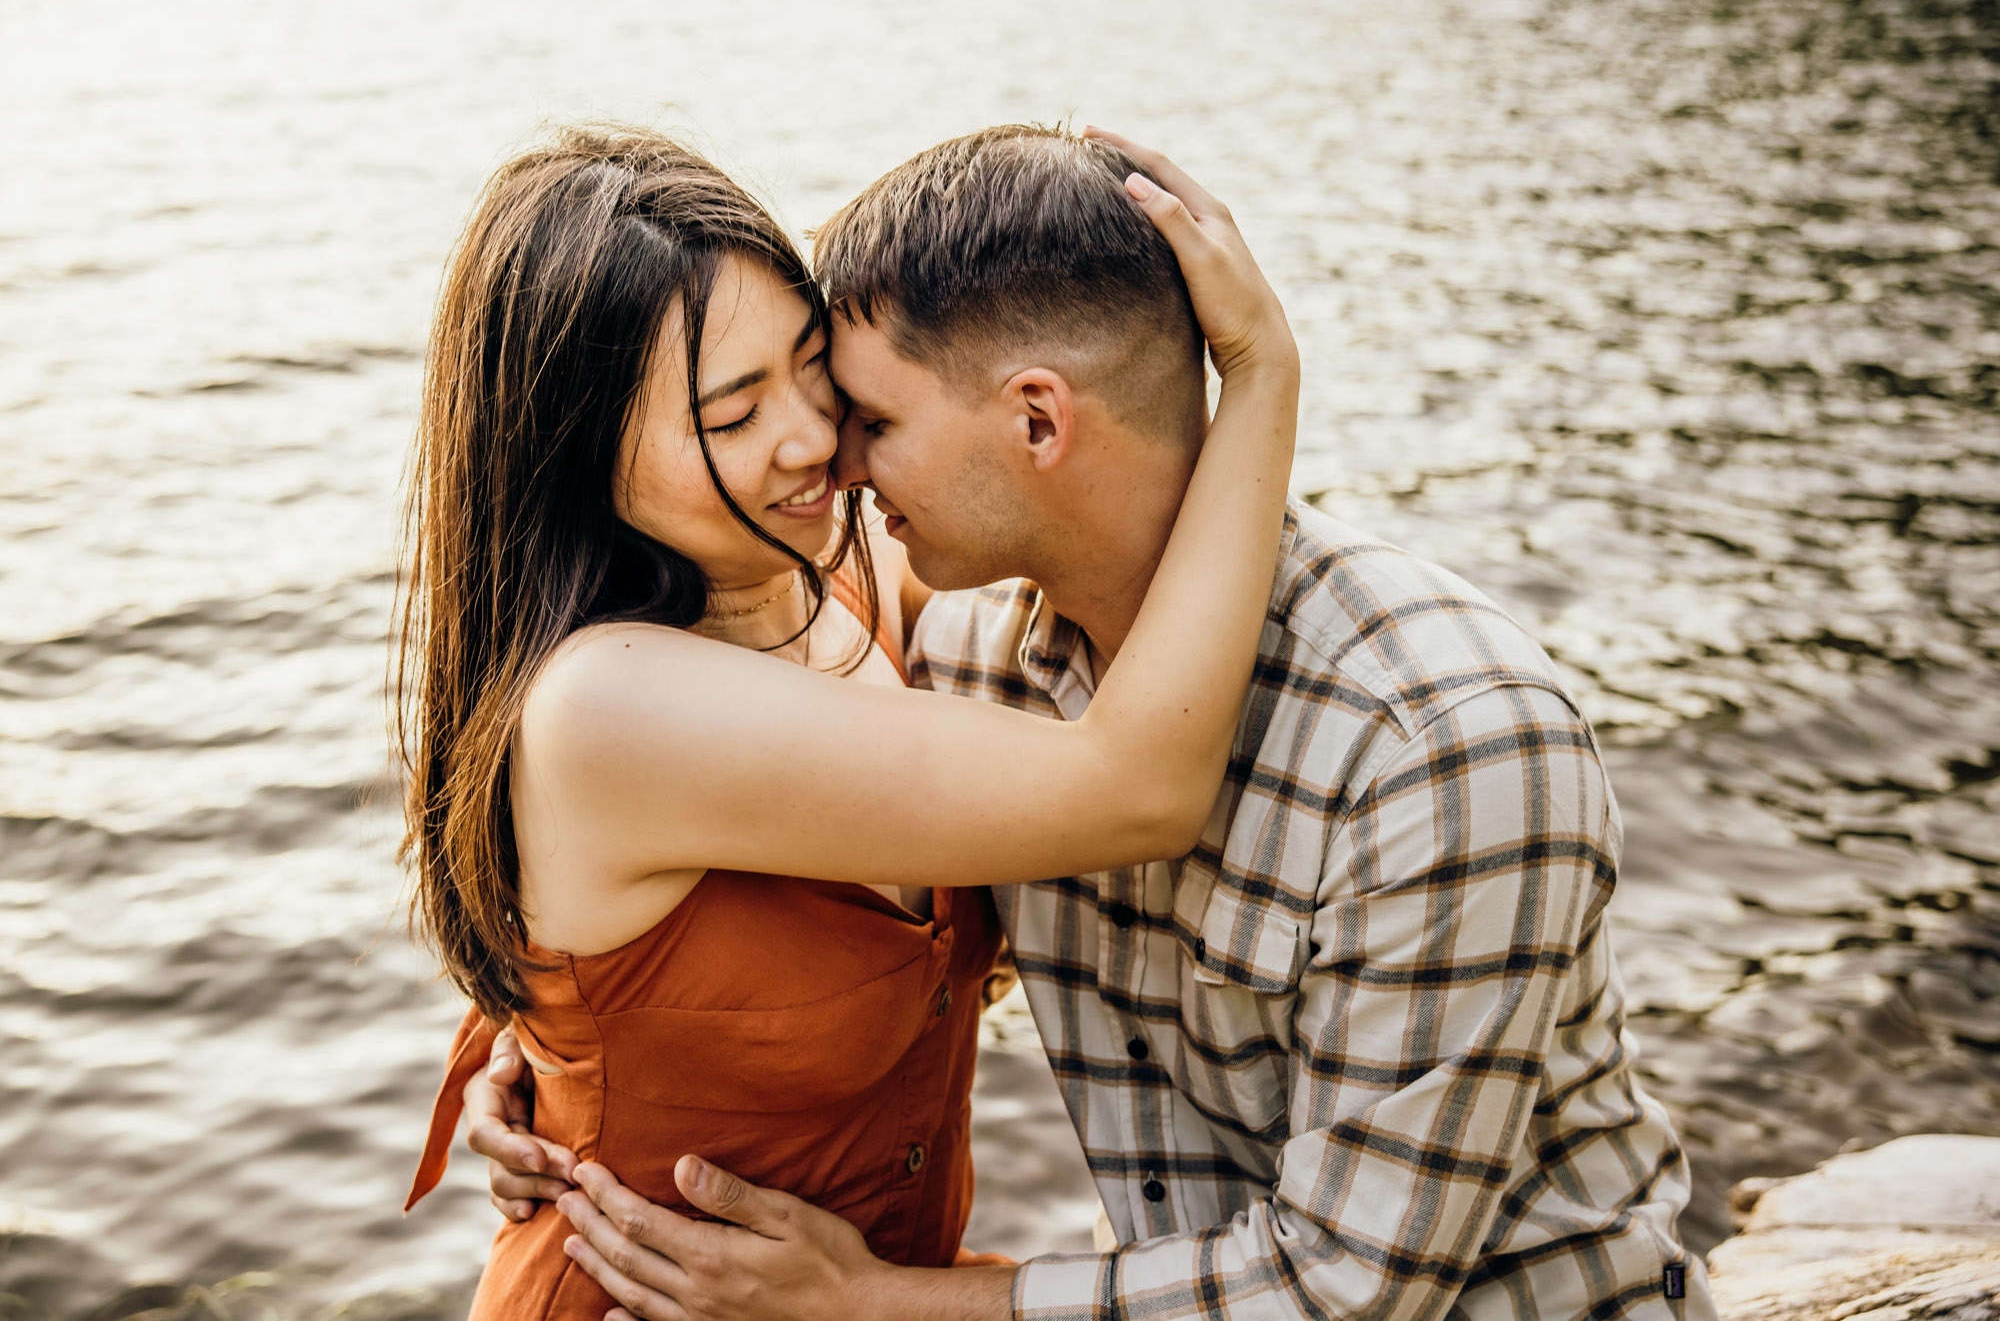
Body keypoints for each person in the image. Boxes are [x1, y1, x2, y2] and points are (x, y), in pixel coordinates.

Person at [470, 125, 1718, 1320]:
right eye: (735, 415)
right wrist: (552, 1054)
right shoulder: (952, 650)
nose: (827, 451)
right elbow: (638, 897)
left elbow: (1344, 1289)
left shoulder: (1440, 745)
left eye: (837, 392)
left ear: (1035, 419)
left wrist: (869, 1298)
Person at [395, 123, 1300, 1321]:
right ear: (573, 458)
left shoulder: (848, 570)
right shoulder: (607, 702)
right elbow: (1136, 781)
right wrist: (1264, 371)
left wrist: (551, 1042)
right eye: (731, 416)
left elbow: (1079, 510)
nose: (815, 438)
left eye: (808, 366)